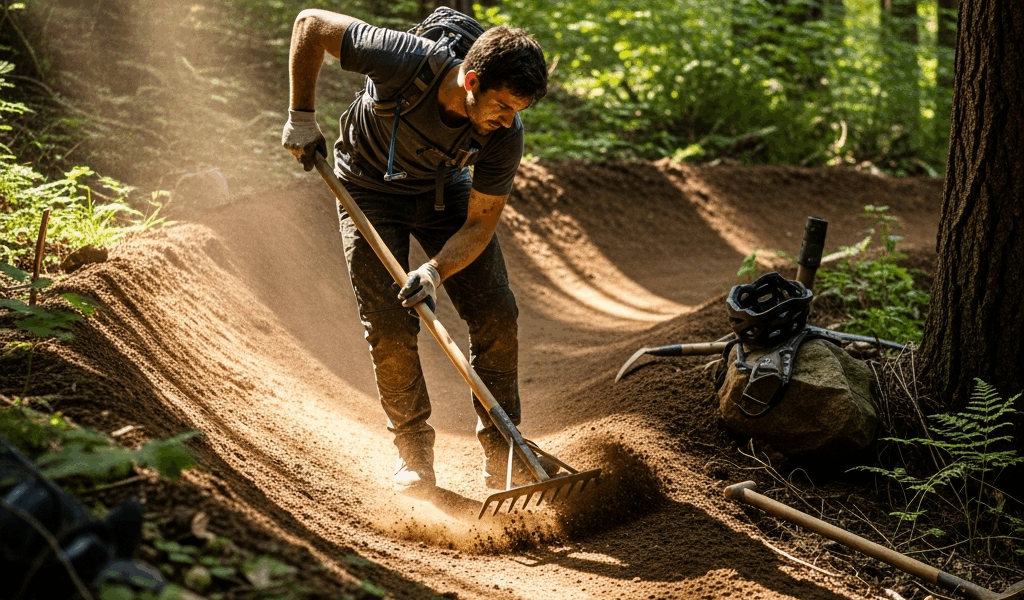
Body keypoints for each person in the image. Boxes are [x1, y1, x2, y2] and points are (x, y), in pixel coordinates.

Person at [281, 8, 557, 493]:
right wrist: (301, 117)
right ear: (471, 80)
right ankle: (414, 455)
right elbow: (309, 25)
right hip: (367, 183)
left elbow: (479, 224)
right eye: (503, 106)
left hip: (440, 189)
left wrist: (432, 270)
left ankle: (504, 454)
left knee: (496, 311)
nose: (508, 121)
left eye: (518, 111)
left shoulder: (504, 136)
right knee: (388, 323)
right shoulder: (406, 60)